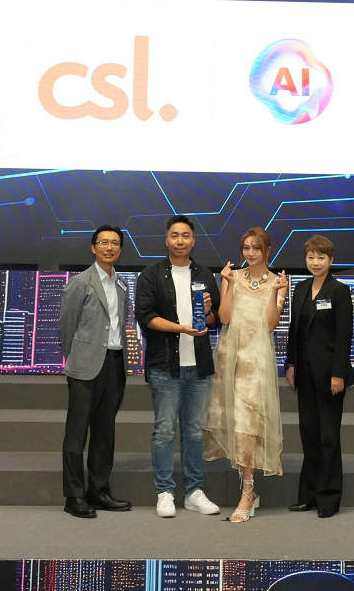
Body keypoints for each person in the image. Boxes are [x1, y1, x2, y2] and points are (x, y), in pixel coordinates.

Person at [135, 214, 223, 518]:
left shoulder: (205, 275)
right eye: (175, 235)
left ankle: (194, 492)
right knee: (164, 431)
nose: (180, 240)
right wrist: (181, 328)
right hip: (165, 365)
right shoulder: (151, 275)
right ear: (167, 240)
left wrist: (208, 312)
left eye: (186, 235)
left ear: (193, 241)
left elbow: (215, 320)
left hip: (198, 367)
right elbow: (146, 317)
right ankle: (165, 492)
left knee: (195, 432)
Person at [204, 226, 288, 522]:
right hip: (231, 356)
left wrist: (275, 293)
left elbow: (270, 324)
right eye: (246, 248)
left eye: (256, 248)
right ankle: (249, 489)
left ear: (267, 251)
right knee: (237, 421)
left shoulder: (279, 282)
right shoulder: (233, 276)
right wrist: (227, 284)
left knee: (249, 422)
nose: (250, 253)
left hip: (257, 359)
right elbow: (224, 317)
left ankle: (248, 490)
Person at [58, 224, 133, 518]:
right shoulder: (80, 282)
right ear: (93, 248)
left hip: (114, 363)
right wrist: (77, 358)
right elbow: (66, 327)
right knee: (76, 434)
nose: (109, 247)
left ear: (120, 249)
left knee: (105, 432)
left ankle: (98, 491)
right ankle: (74, 496)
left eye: (115, 243)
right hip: (85, 366)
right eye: (103, 242)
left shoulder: (122, 284)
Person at [284, 233, 354, 518]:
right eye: (311, 257)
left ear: (331, 260)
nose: (315, 262)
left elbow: (344, 336)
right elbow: (294, 330)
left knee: (328, 437)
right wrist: (290, 364)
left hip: (330, 376)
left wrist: (338, 373)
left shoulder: (339, 291)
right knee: (309, 435)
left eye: (321, 257)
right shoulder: (300, 288)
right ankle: (308, 496)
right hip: (304, 374)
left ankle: (329, 498)